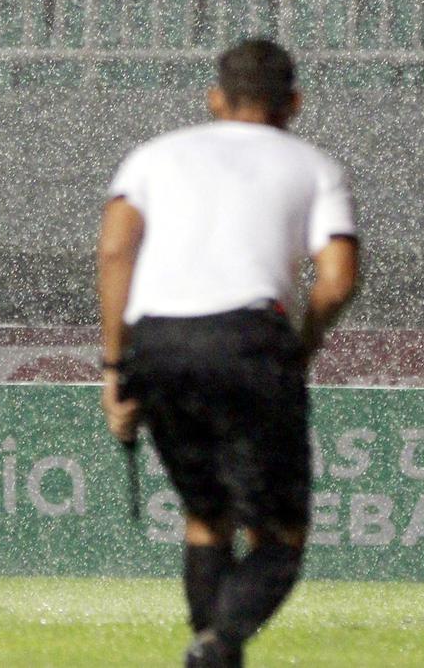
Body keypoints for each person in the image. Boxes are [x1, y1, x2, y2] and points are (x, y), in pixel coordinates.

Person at [97, 40, 360, 667]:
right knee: (280, 538)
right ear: (294, 102)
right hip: (249, 339)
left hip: (158, 340)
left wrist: (115, 367)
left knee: (206, 518)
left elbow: (114, 252)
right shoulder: (315, 166)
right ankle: (218, 644)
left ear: (215, 98)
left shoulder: (154, 157)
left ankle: (210, 649)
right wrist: (303, 345)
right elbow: (339, 278)